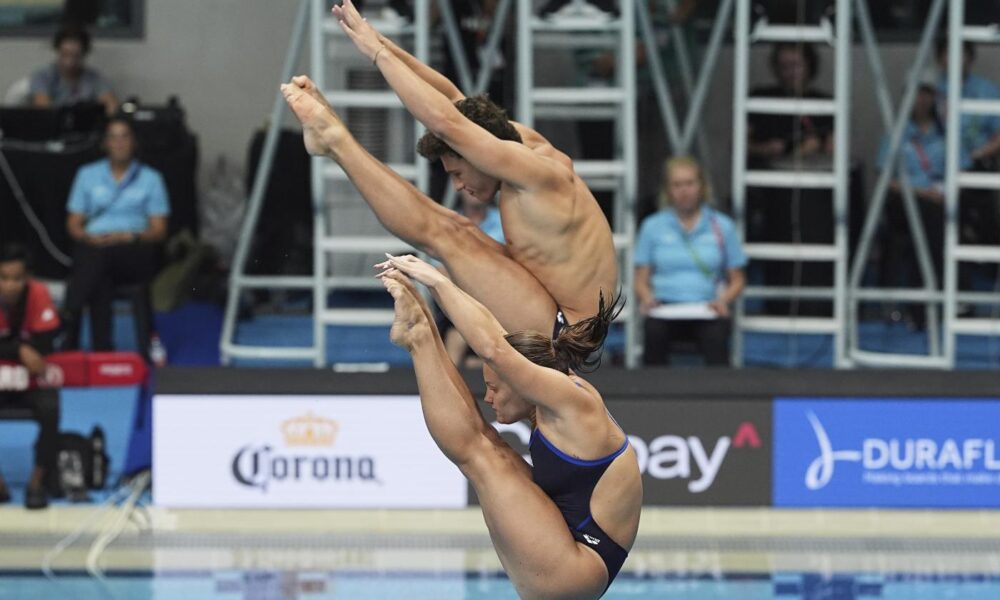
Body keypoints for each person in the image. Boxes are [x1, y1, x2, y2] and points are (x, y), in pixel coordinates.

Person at [281, 0, 618, 359]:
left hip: (567, 333)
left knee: (444, 234)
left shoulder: (535, 173)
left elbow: (447, 122)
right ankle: (333, 137)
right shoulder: (519, 140)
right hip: (560, 310)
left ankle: (334, 141)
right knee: (459, 230)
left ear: (476, 153)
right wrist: (378, 41)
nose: (458, 187)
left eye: (458, 173)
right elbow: (452, 101)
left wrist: (378, 54)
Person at [376, 252, 641, 599]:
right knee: (486, 445)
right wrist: (430, 298)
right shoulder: (552, 384)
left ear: (522, 383)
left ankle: (419, 336)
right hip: (570, 545)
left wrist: (437, 281)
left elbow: (495, 351)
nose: (488, 398)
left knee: (484, 456)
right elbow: (494, 335)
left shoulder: (574, 402)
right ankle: (420, 330)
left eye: (495, 388)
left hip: (575, 570)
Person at [62, 116, 170, 363]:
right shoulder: (87, 175)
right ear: (105, 143)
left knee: (93, 266)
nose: (119, 143)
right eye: (113, 137)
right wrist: (88, 237)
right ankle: (103, 349)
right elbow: (73, 223)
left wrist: (128, 236)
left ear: (134, 142)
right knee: (98, 270)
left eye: (125, 137)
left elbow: (160, 230)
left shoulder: (151, 179)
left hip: (135, 250)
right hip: (96, 247)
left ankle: (69, 325)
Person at [746, 42, 834, 316]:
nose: (790, 72)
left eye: (796, 65)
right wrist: (767, 149)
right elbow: (743, 144)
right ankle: (778, 303)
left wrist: (815, 145)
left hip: (813, 186)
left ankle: (818, 303)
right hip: (772, 186)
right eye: (784, 66)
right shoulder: (761, 97)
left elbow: (833, 146)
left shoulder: (823, 102)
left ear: (809, 66)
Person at [635, 156, 746, 366]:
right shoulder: (652, 226)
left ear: (702, 187)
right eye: (677, 185)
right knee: (653, 330)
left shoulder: (723, 226)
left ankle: (720, 396)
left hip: (708, 308)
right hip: (665, 307)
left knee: (717, 334)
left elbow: (738, 279)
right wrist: (647, 298)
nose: (684, 190)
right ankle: (651, 396)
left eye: (689, 184)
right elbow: (640, 278)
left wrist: (723, 301)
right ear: (668, 190)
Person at [876, 73, 947, 306]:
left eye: (926, 93)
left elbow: (961, 169)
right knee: (929, 217)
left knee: (939, 216)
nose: (921, 99)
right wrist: (921, 193)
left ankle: (936, 296)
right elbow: (885, 178)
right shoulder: (896, 132)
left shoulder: (945, 133)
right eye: (915, 93)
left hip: (942, 200)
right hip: (905, 201)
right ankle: (924, 298)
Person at [0, 244, 61, 510]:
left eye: (17, 278)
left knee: (51, 408)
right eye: (3, 278)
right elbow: (31, 347)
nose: (11, 285)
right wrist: (20, 349)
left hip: (32, 379)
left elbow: (45, 344)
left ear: (27, 278)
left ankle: (38, 480)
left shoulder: (39, 293)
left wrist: (17, 351)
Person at [29, 25, 117, 115]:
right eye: (65, 54)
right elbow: (43, 108)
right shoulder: (43, 76)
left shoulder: (94, 78)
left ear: (84, 54)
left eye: (76, 56)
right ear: (58, 51)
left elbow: (111, 105)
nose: (69, 62)